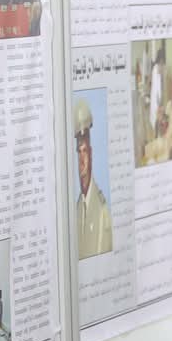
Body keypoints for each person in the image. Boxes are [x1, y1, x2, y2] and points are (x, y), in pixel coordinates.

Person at [74, 99, 113, 259]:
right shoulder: (77, 208)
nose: (82, 159)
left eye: (85, 151)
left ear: (90, 154)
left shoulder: (102, 210)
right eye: (79, 152)